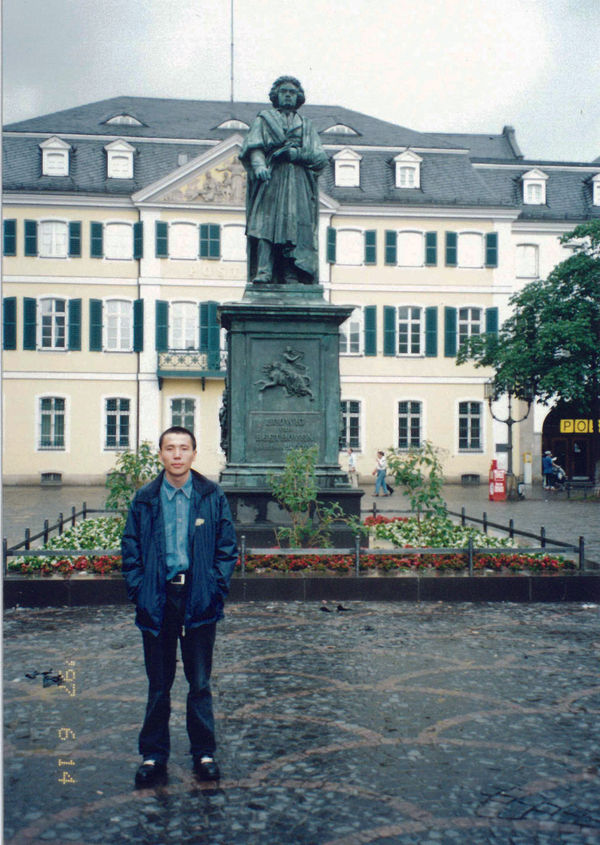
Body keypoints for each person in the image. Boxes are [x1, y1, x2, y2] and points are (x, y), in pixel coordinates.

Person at [121, 426, 238, 788]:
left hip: (198, 599)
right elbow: (131, 549)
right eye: (169, 448)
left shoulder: (211, 495)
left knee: (199, 682)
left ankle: (204, 753)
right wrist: (140, 590)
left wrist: (214, 588)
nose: (176, 455)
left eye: (183, 448)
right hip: (158, 600)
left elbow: (227, 547)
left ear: (193, 454)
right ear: (160, 454)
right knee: (159, 684)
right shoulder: (145, 498)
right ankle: (153, 754)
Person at [239, 75, 329, 285]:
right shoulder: (264, 120)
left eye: (292, 92)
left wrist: (295, 155)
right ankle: (264, 271)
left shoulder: (307, 125)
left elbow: (320, 158)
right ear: (276, 96)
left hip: (298, 182)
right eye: (284, 92)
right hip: (271, 178)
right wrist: (259, 166)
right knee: (264, 224)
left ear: (298, 97)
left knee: (294, 227)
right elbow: (254, 147)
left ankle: (291, 273)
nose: (288, 95)